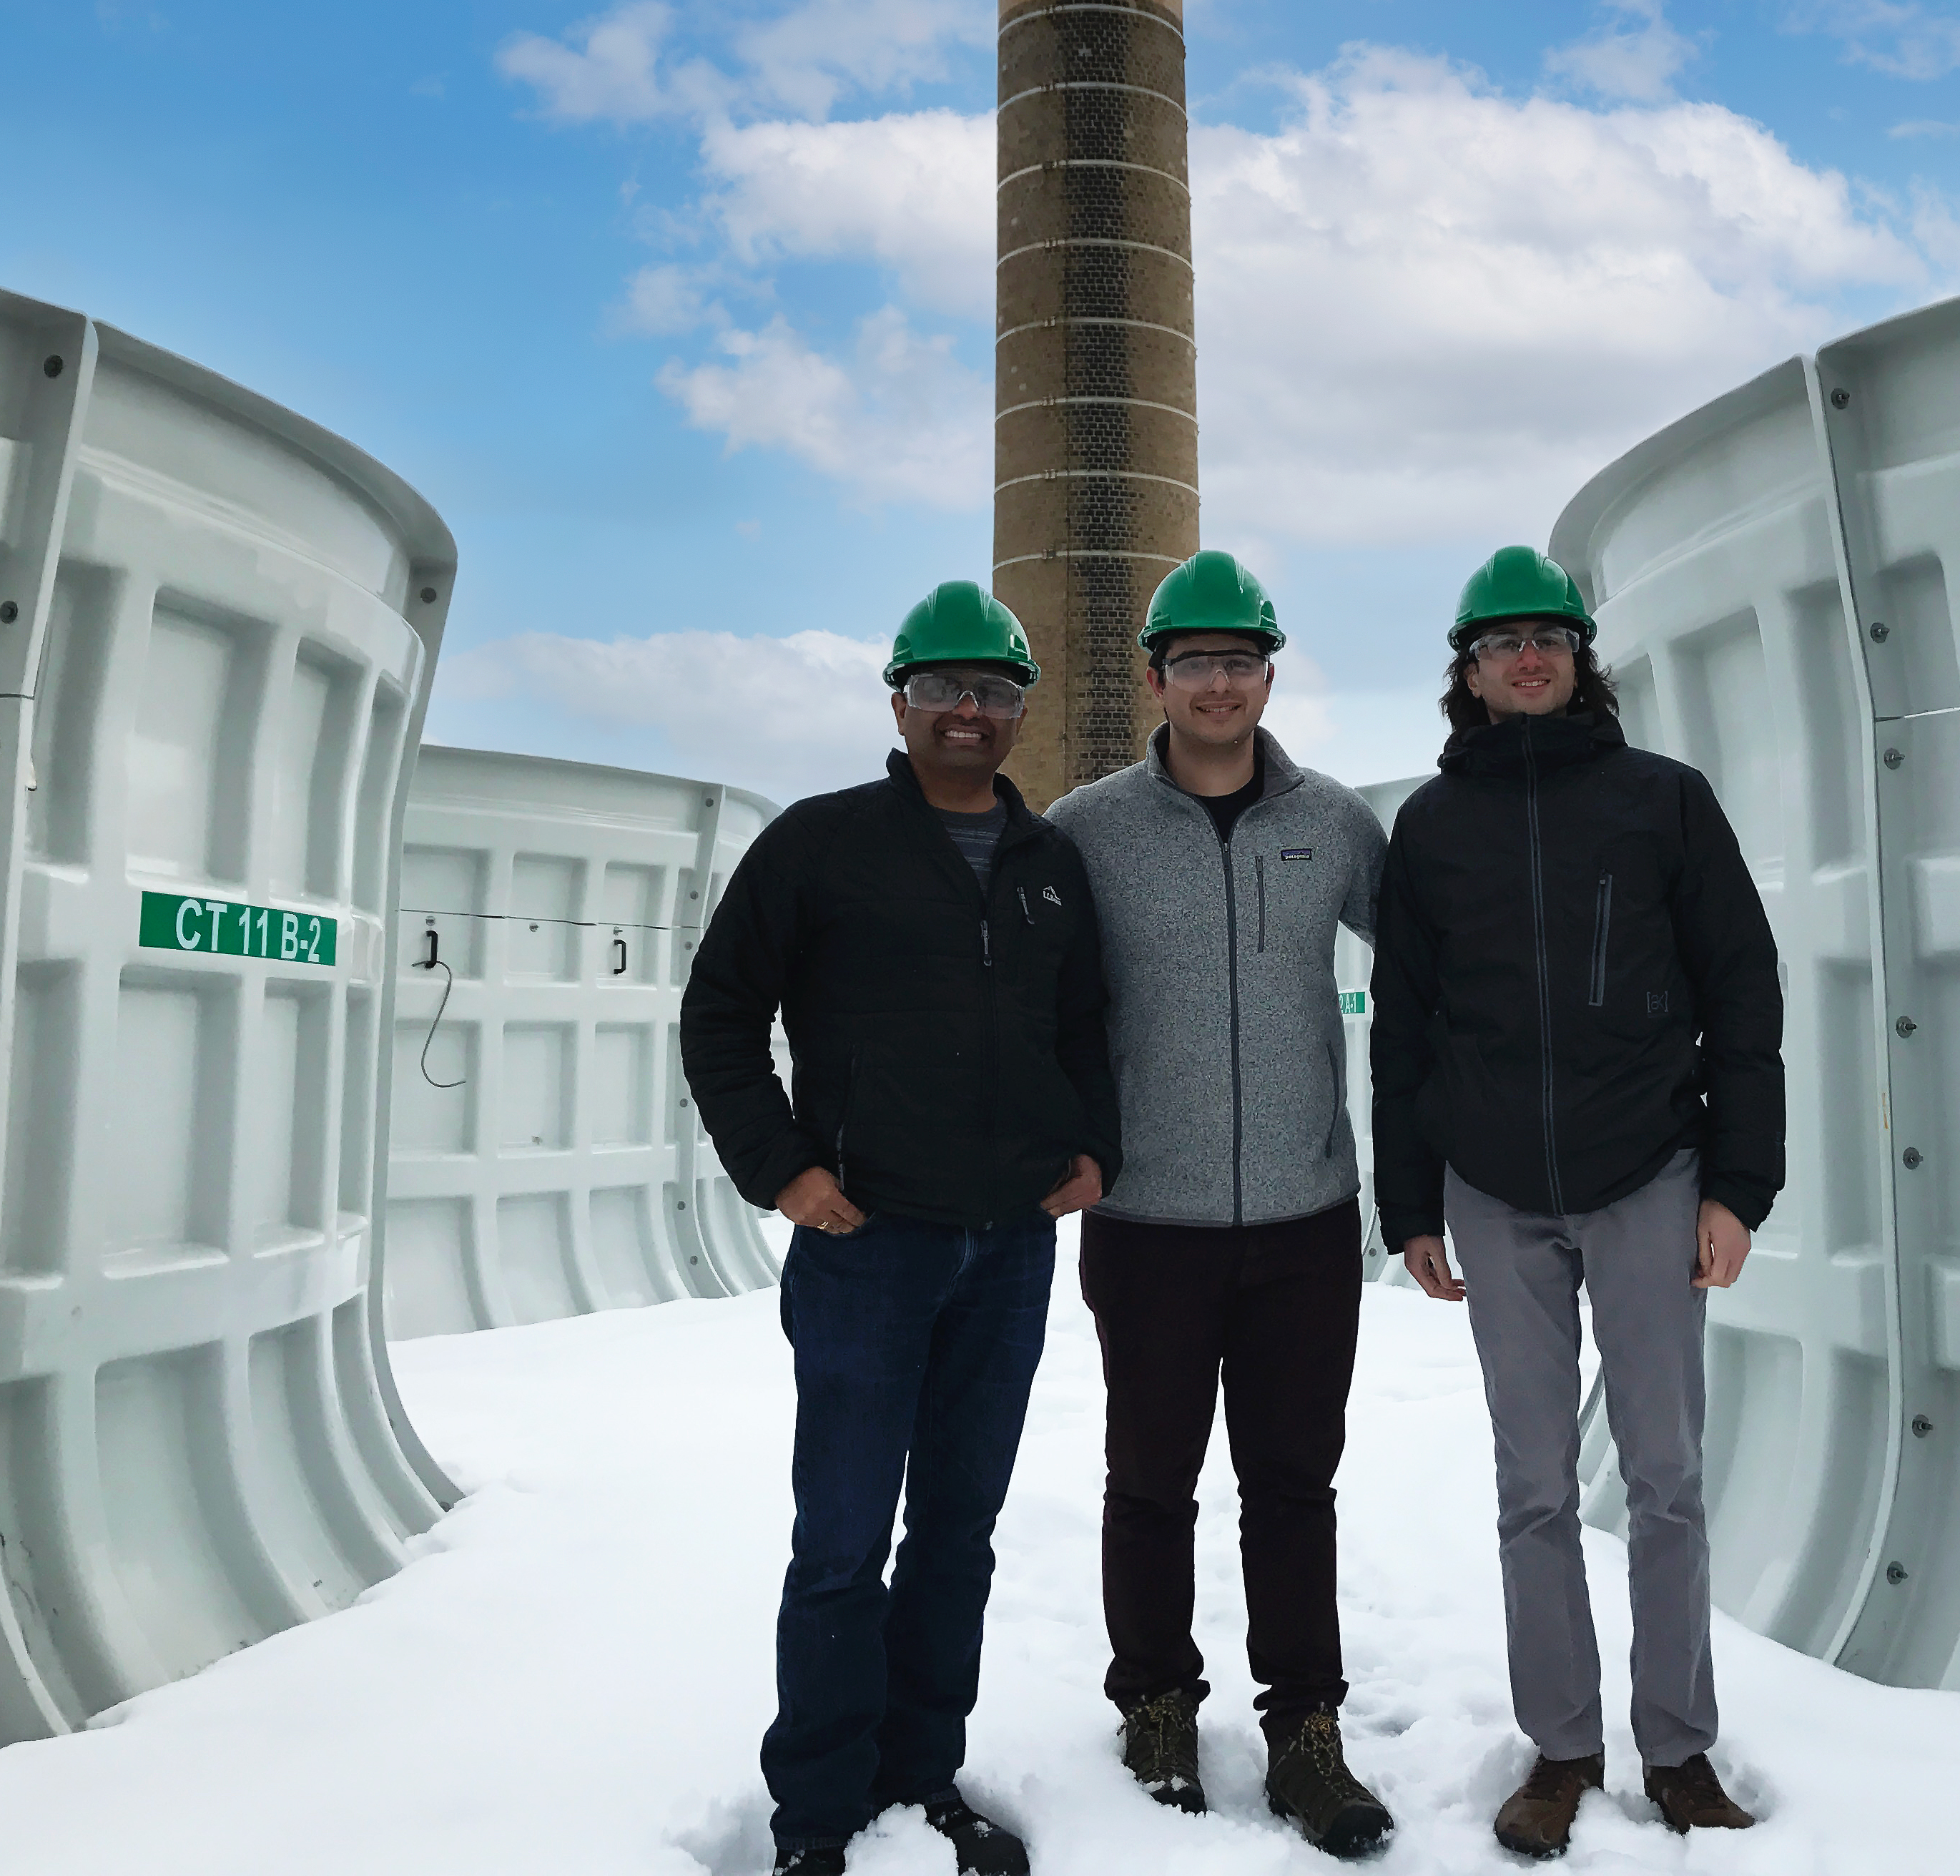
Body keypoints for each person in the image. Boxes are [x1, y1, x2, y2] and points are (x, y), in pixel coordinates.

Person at [681, 581, 1118, 1876]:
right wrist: (784, 1174)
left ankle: (924, 1775)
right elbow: (718, 1016)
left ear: (1022, 709)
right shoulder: (823, 846)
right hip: (869, 1245)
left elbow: (1084, 1028)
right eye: (943, 689)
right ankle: (816, 1812)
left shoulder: (1052, 866)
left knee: (957, 1535)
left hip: (1010, 1249)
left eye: (991, 691)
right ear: (900, 702)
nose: (969, 711)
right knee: (841, 1541)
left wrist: (1093, 1151)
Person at [1369, 544, 1784, 1860]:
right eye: (1503, 645)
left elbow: (1744, 999)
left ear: (1576, 660)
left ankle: (1679, 1750)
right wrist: (1411, 1205)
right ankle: (1560, 1748)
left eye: (1548, 637)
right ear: (1471, 675)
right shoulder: (1432, 827)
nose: (1528, 657)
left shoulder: (1663, 802)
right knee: (1534, 1484)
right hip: (1494, 1191)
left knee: (1666, 1478)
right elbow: (1404, 1028)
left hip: (1650, 1177)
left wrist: (1739, 1185)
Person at [1045, 551, 1396, 1859]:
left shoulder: (1339, 824)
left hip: (1305, 1217)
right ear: (1157, 677)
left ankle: (1305, 1726)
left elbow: (1438, 968)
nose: (1219, 684)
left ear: (1268, 673)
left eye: (1240, 661)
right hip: (1147, 1223)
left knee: (1294, 1484)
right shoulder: (1089, 829)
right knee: (1151, 1480)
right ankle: (1156, 1703)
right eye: (1194, 662)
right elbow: (1031, 1000)